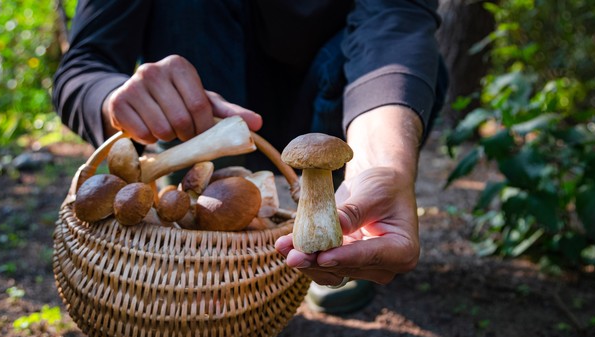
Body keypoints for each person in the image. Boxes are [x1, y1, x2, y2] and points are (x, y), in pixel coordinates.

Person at [53, 0, 448, 313]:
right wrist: (119, 101)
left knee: (422, 64)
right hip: (201, 119)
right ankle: (205, 248)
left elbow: (395, 23)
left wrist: (381, 165)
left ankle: (340, 230)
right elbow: (84, 66)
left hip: (331, 102)